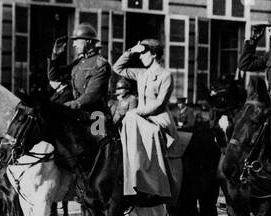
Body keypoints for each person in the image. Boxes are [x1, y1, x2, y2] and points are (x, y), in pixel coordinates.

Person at [112, 39, 176, 198]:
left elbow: (160, 104)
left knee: (130, 118)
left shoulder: (166, 75)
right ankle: (134, 175)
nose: (140, 57)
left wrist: (137, 112)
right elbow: (117, 67)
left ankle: (150, 180)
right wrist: (131, 50)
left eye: (143, 53)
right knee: (128, 122)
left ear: (153, 54)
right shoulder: (141, 73)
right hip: (140, 119)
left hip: (159, 119)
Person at [48, 22, 112, 124]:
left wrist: (68, 106)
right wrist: (55, 56)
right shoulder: (79, 63)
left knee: (97, 139)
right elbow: (55, 77)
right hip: (79, 113)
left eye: (76, 41)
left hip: (96, 117)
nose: (74, 45)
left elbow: (92, 95)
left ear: (88, 41)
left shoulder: (100, 64)